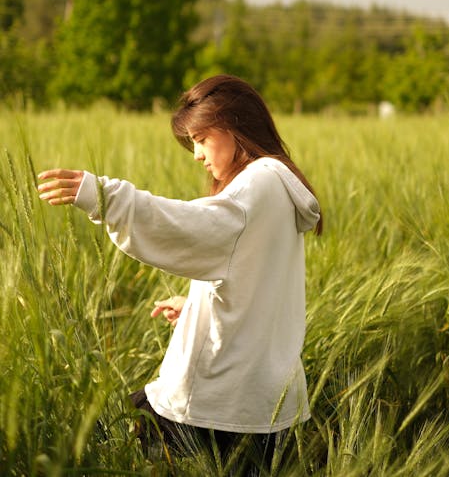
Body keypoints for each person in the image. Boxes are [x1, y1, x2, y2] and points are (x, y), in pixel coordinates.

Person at [38, 74, 322, 471]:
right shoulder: (277, 184)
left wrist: (105, 197)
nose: (197, 155)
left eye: (202, 139)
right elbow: (259, 285)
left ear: (236, 125)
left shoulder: (256, 186)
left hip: (219, 400)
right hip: (265, 401)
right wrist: (195, 306)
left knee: (102, 440)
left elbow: (184, 225)